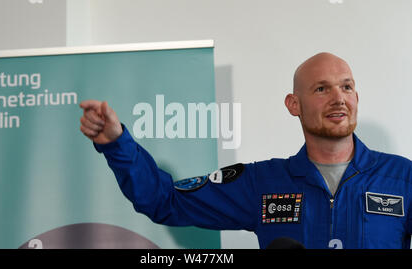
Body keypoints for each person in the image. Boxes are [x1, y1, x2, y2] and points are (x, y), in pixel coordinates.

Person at [79, 52, 412, 249]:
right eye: (322, 89)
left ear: (356, 98)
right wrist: (117, 143)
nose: (339, 98)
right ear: (293, 104)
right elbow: (164, 200)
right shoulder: (262, 182)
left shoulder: (403, 177)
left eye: (347, 87)